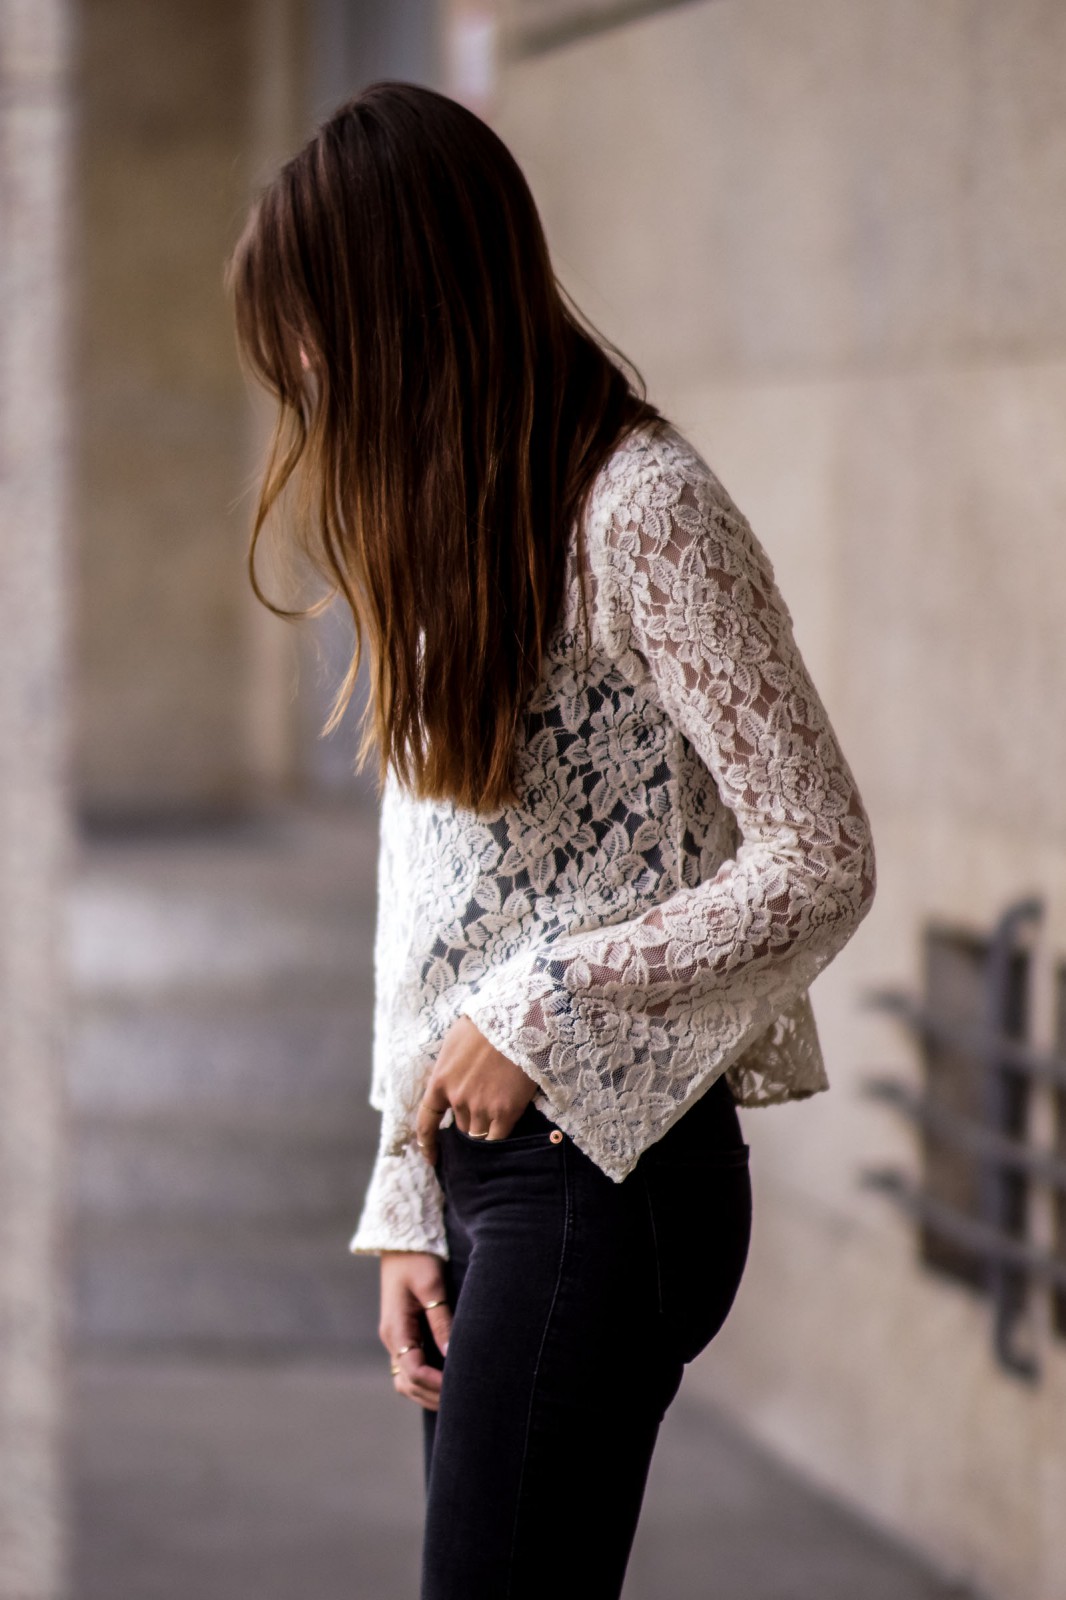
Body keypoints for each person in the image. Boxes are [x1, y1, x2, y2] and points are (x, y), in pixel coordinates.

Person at [226, 78, 877, 1600]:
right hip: (492, 1184)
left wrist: (543, 1008)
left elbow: (817, 854)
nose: (305, 378)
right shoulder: (454, 521)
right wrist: (408, 1195)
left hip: (612, 1175)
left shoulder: (642, 508)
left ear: (407, 303)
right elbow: (432, 899)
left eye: (315, 334)